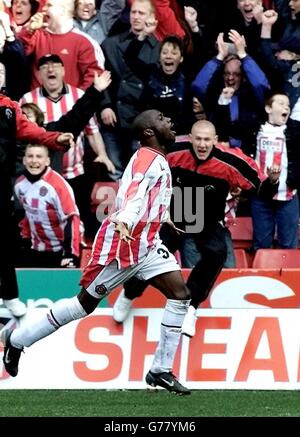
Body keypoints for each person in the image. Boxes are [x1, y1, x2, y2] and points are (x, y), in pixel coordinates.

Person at [2, 109, 191, 396]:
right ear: (150, 132)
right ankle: (16, 340)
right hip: (123, 246)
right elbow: (133, 194)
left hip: (148, 244)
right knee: (82, 307)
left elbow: (148, 197)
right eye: (163, 118)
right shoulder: (146, 160)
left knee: (180, 295)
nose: (170, 120)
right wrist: (126, 220)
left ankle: (160, 370)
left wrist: (161, 217)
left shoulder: (157, 159)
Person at [113, 120, 281, 337]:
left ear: (215, 140)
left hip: (208, 219)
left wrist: (273, 181)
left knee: (217, 252)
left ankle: (191, 308)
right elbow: (141, 174)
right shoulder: (170, 153)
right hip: (173, 217)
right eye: (198, 139)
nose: (202, 145)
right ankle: (128, 294)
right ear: (190, 139)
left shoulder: (232, 162)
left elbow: (261, 192)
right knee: (149, 257)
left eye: (207, 140)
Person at [0, 91, 74, 317]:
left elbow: (31, 130)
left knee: (3, 243)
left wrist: (55, 138)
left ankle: (10, 296)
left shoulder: (8, 108)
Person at [15, 144, 81, 268]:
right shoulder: (20, 184)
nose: (34, 161)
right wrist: (25, 241)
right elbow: (27, 215)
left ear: (47, 161)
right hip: (36, 248)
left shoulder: (58, 185)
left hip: (60, 250)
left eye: (39, 157)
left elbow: (72, 219)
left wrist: (69, 254)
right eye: (30, 156)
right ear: (24, 160)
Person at [251, 92, 299, 249]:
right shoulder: (255, 130)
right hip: (261, 197)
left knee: (289, 246)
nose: (286, 106)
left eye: (288, 104)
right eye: (281, 103)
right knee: (261, 245)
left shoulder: (296, 131)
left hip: (288, 196)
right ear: (268, 108)